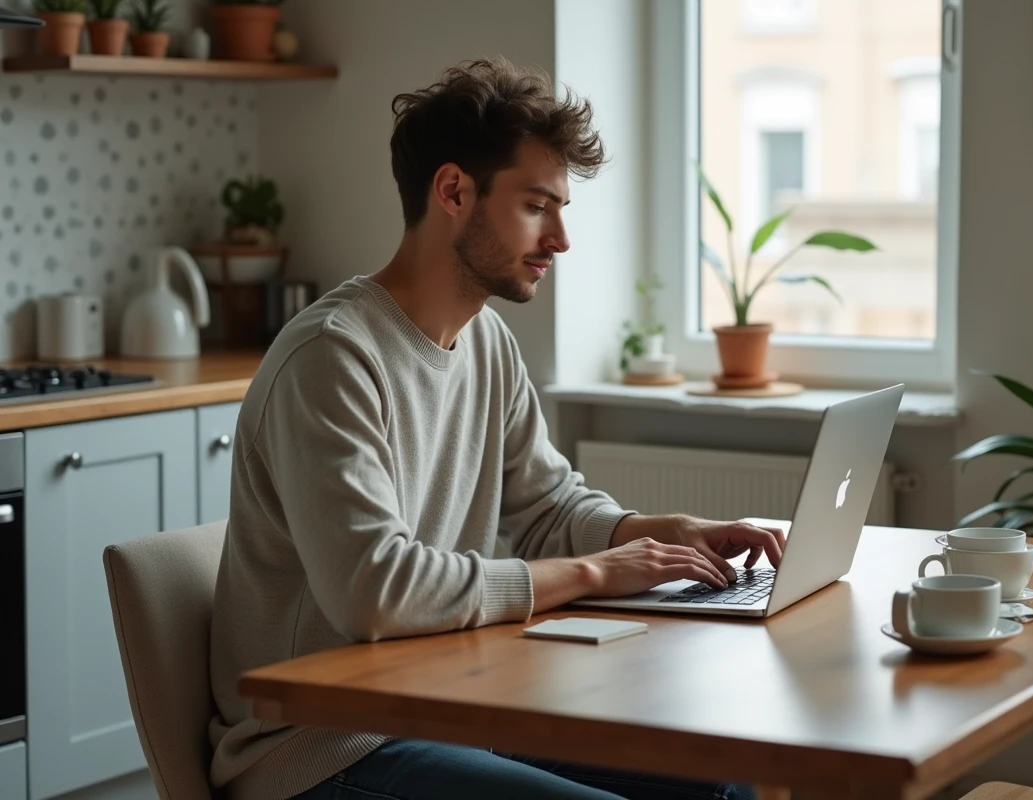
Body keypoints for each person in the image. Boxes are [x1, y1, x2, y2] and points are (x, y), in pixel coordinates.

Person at [207, 56, 786, 800]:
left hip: (453, 710)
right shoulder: (334, 357)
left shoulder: (484, 342)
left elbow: (547, 508)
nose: (562, 239)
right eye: (538, 206)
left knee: (729, 785)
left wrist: (657, 532)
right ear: (453, 191)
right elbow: (373, 591)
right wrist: (595, 572)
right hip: (320, 750)